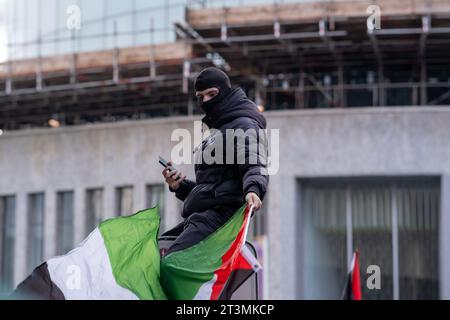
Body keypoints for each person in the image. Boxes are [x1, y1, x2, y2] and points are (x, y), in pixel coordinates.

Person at [161, 67, 269, 255]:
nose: (206, 101)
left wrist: (254, 189)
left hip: (220, 218)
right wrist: (181, 186)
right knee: (157, 252)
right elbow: (214, 187)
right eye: (200, 97)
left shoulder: (242, 123)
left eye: (212, 94)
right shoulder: (217, 130)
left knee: (173, 261)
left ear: (225, 92)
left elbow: (253, 161)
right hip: (202, 217)